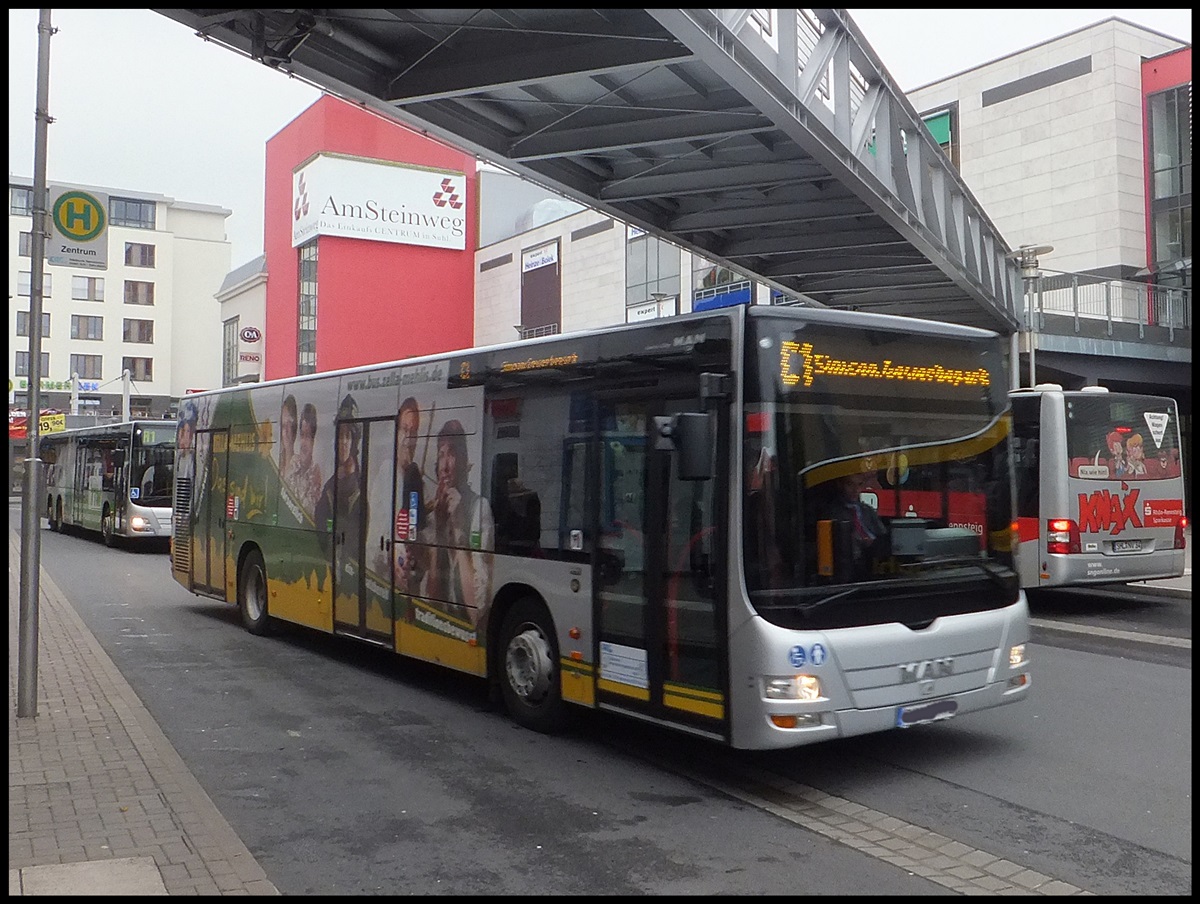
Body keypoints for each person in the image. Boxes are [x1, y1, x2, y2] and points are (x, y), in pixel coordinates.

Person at [420, 419, 494, 622]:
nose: (444, 466)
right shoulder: (436, 512)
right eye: (441, 455)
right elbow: (431, 605)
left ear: (464, 460)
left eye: (451, 454)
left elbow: (476, 611)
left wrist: (460, 530)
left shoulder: (479, 508)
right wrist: (439, 532)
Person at [315, 395, 366, 595]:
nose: (343, 442)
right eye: (340, 435)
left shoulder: (363, 486)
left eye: (348, 436)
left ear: (355, 441)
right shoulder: (329, 487)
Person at [828, 471, 888, 579]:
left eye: (859, 485)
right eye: (850, 485)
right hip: (852, 567)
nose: (856, 490)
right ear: (840, 484)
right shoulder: (833, 513)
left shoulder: (867, 510)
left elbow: (883, 535)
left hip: (876, 565)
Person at [283, 402, 323, 516]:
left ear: (315, 440)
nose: (304, 443)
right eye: (302, 435)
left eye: (309, 436)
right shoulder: (292, 468)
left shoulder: (316, 475)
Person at [279, 394, 298, 478]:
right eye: (283, 426)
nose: (286, 431)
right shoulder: (277, 464)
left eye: (289, 425)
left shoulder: (298, 466)